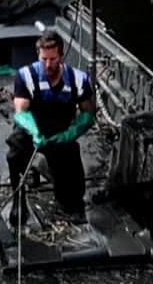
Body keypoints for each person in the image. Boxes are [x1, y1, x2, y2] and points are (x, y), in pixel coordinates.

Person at [9, 30, 95, 225]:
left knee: (71, 161)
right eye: (44, 59)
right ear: (38, 55)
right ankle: (18, 200)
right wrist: (34, 131)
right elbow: (21, 111)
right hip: (33, 129)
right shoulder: (25, 76)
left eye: (53, 59)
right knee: (15, 152)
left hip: (60, 131)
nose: (48, 64)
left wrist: (70, 134)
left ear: (61, 56)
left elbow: (88, 114)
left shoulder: (78, 80)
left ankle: (70, 203)